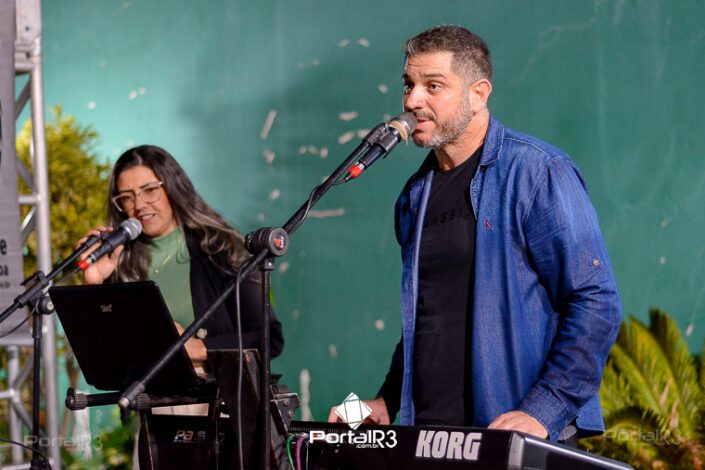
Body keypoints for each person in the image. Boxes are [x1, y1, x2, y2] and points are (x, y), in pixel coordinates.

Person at [329, 25, 621, 443]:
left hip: (515, 437)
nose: (412, 101)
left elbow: (596, 301)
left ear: (478, 94)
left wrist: (542, 411)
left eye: (433, 86)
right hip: (431, 438)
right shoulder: (414, 197)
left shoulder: (537, 172)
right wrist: (385, 402)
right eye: (408, 85)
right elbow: (429, 320)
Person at [79, 144, 284, 366]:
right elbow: (100, 355)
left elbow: (269, 339)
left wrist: (200, 348)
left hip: (211, 386)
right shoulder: (117, 260)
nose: (139, 205)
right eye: (127, 197)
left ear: (173, 188)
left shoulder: (222, 250)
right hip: (140, 388)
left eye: (150, 190)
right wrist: (93, 284)